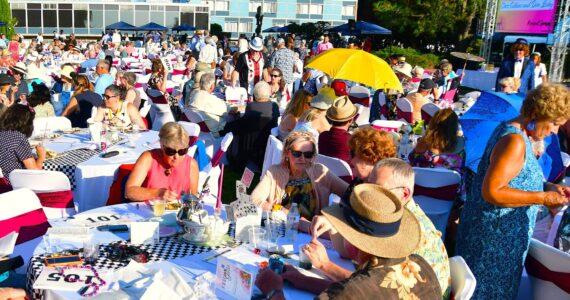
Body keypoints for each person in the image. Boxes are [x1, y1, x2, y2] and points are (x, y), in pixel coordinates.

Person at [456, 83, 570, 299]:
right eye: (554, 124)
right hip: (492, 243)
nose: (554, 131)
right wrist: (544, 198)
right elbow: (492, 191)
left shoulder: (519, 134)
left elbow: (516, 179)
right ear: (537, 114)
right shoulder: (514, 141)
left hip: (499, 238)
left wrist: (549, 187)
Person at [255, 183, 442, 299]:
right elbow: (361, 286)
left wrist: (274, 292)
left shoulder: (352, 292)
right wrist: (304, 280)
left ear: (354, 242)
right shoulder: (418, 265)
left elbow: (353, 291)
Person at [308, 159, 451, 297]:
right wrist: (336, 226)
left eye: (379, 190)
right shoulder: (388, 219)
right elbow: (351, 257)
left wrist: (325, 265)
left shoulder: (404, 234)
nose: (367, 194)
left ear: (405, 194)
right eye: (367, 185)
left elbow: (369, 287)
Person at [251, 131, 348, 232]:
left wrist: (333, 214)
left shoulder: (320, 172)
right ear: (287, 153)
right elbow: (254, 201)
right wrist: (283, 212)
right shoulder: (275, 172)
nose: (302, 159)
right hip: (282, 230)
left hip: (313, 232)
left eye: (308, 154)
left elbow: (350, 194)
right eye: (296, 154)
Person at [125, 122, 198, 202]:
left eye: (182, 151)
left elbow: (192, 200)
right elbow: (129, 192)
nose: (176, 157)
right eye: (170, 151)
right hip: (148, 210)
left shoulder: (191, 165)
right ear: (161, 146)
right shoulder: (148, 158)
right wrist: (158, 193)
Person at [224, 81, 279, 169]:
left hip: (249, 146)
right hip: (266, 147)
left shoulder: (251, 106)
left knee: (232, 126)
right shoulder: (274, 107)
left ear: (254, 94)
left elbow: (240, 124)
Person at [409, 108, 465, 174]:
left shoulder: (424, 142)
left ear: (433, 123)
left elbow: (411, 161)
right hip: (453, 183)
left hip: (424, 183)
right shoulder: (464, 144)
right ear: (455, 125)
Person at [0, 104, 45, 182]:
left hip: (3, 181)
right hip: (14, 184)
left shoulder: (2, 133)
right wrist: (41, 156)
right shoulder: (18, 138)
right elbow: (35, 173)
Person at [186, 73, 234, 137]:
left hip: (200, 132)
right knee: (243, 122)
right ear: (212, 86)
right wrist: (240, 108)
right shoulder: (208, 98)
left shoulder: (194, 95)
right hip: (214, 132)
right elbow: (229, 110)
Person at [318, 96, 357, 162]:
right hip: (343, 172)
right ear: (350, 120)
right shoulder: (350, 140)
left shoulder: (322, 136)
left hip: (323, 171)